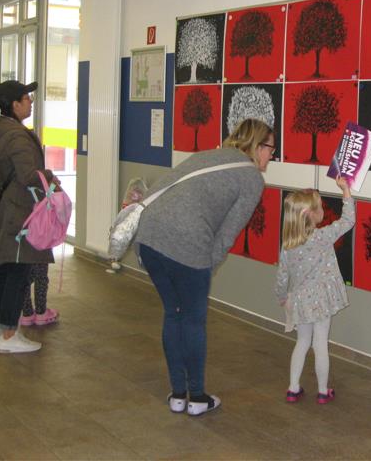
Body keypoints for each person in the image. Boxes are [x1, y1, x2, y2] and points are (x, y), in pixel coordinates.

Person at [136, 118, 275, 416]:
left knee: (173, 313)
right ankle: (197, 397)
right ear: (257, 146)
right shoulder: (251, 178)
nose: (271, 156)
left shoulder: (207, 155)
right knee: (193, 321)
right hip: (188, 242)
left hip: (148, 237)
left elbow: (162, 187)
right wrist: (205, 269)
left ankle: (177, 395)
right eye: (270, 149)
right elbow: (228, 232)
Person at [0, 80, 60, 354]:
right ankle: (9, 335)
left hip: (2, 208)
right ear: (15, 105)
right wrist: (51, 178)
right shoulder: (16, 136)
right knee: (19, 268)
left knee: (3, 267)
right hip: (18, 212)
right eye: (27, 99)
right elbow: (29, 175)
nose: (31, 103)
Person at [275, 176, 354, 405]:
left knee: (302, 342)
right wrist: (345, 190)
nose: (322, 210)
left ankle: (293, 388)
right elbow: (348, 220)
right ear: (309, 214)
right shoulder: (322, 237)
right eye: (319, 207)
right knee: (320, 345)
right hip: (322, 301)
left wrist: (282, 297)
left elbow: (282, 276)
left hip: (300, 300)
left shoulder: (288, 245)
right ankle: (322, 391)